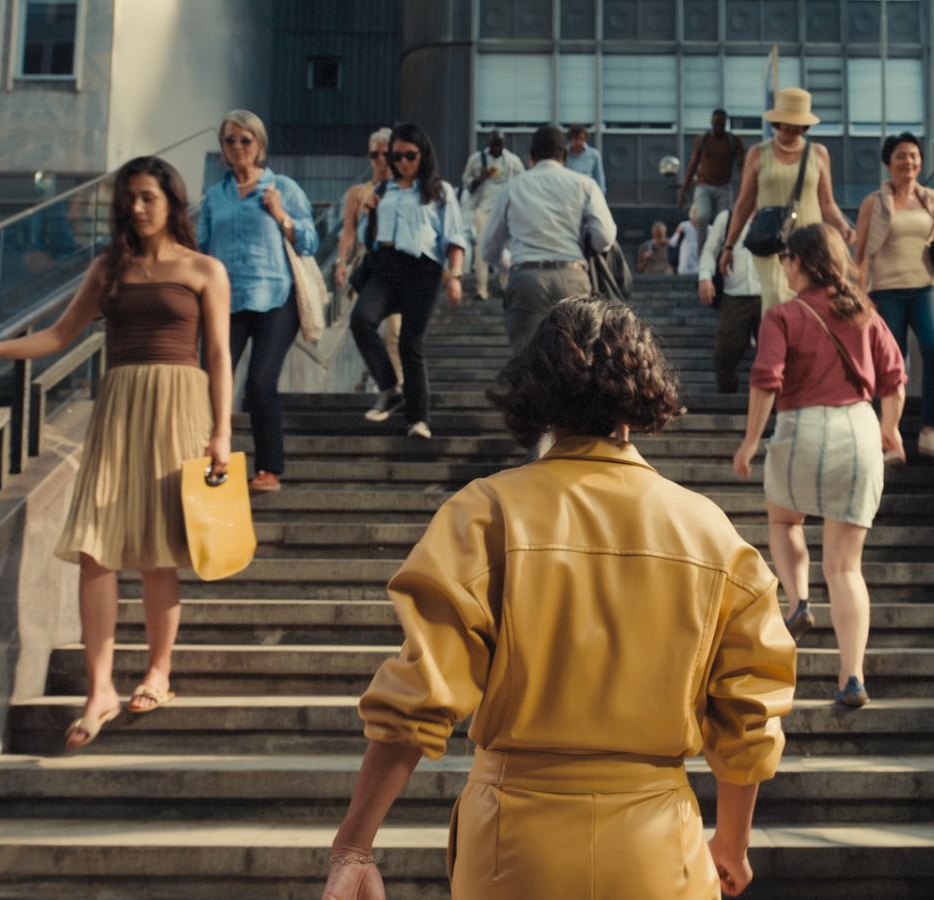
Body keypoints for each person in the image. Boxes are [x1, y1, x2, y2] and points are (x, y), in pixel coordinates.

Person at [319, 297, 796, 900]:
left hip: (513, 848)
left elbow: (420, 693)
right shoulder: (711, 533)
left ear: (536, 390)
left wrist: (354, 846)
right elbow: (750, 713)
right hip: (657, 848)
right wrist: (732, 842)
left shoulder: (484, 512)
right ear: (642, 390)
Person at [0, 157, 233, 750]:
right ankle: (100, 688)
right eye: (129, 199)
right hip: (119, 406)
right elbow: (58, 335)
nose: (137, 208)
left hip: (180, 405)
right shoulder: (110, 267)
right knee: (97, 548)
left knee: (158, 552)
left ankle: (158, 672)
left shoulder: (204, 269)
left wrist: (223, 431)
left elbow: (220, 354)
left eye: (148, 197)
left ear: (172, 201)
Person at [733, 224, 907, 709]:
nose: (784, 266)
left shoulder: (783, 315)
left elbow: (766, 380)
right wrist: (891, 429)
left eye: (788, 257)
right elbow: (894, 380)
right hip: (859, 429)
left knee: (784, 519)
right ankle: (852, 677)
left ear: (803, 262)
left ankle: (798, 601)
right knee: (846, 566)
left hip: (801, 427)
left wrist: (750, 442)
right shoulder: (865, 312)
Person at [198, 109, 317, 494]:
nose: (237, 148)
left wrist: (280, 214)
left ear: (260, 146)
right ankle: (206, 458)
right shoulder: (215, 197)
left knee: (260, 383)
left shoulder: (282, 187)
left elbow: (309, 242)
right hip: (226, 301)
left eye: (245, 140)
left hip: (275, 298)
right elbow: (199, 250)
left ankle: (269, 468)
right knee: (208, 381)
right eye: (229, 141)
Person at [853, 132, 934, 460]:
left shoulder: (931, 199)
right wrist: (861, 297)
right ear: (888, 163)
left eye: (914, 156)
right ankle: (889, 437)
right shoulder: (873, 203)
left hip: (925, 287)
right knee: (893, 360)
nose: (909, 162)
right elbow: (860, 255)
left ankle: (929, 430)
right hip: (885, 291)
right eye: (902, 156)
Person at [350, 122, 468, 440]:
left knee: (410, 343)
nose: (402, 162)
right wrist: (369, 212)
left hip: (422, 270)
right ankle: (390, 387)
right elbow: (367, 239)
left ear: (423, 155)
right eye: (396, 155)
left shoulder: (440, 192)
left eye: (410, 155)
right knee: (361, 320)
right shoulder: (381, 190)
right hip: (385, 267)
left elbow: (454, 238)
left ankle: (418, 419)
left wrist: (454, 277)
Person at [479, 125, 617, 358]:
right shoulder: (585, 184)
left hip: (526, 279)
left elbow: (488, 248)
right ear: (564, 155)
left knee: (526, 363)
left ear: (531, 156)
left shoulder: (513, 187)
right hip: (572, 276)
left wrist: (512, 263)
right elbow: (604, 237)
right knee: (576, 364)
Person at [720, 87, 853, 314]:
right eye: (787, 121)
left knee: (809, 304)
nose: (792, 126)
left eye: (797, 122)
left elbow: (827, 202)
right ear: (778, 121)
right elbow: (743, 205)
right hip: (771, 244)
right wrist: (729, 246)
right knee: (777, 299)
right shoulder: (758, 153)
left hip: (811, 244)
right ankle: (775, 349)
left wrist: (842, 226)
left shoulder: (818, 153)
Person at [336, 127, 402, 392]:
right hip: (369, 266)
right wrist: (341, 262)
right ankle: (382, 380)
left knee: (395, 330)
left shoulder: (404, 189)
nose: (380, 160)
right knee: (366, 324)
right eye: (374, 154)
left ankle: (397, 385)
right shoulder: (358, 193)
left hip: (397, 268)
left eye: (385, 154)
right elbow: (348, 232)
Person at [698, 208, 761, 394]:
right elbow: (709, 250)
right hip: (734, 297)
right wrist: (705, 278)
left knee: (773, 354)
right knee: (724, 354)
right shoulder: (726, 217)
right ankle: (727, 395)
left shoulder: (773, 213)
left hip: (768, 295)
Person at [459, 130, 525, 302]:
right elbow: (466, 181)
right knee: (482, 248)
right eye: (493, 144)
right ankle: (482, 289)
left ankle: (506, 285)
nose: (496, 148)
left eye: (499, 144)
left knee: (508, 248)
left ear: (503, 144)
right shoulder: (477, 159)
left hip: (506, 210)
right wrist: (481, 177)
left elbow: (523, 181)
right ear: (488, 143)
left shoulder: (512, 161)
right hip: (483, 209)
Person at [679, 108, 744, 240]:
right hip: (703, 185)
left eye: (720, 124)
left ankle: (720, 251)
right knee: (702, 217)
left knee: (723, 221)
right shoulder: (702, 139)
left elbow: (741, 166)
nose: (717, 127)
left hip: (724, 187)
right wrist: (683, 189)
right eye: (715, 124)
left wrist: (745, 188)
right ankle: (702, 252)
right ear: (711, 122)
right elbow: (693, 164)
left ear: (725, 124)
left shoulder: (733, 141)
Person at [564, 123, 606, 190]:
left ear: (585, 139)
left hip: (587, 194)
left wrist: (601, 195)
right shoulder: (563, 154)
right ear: (570, 139)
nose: (578, 142)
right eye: (575, 139)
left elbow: (599, 177)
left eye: (581, 139)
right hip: (568, 194)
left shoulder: (594, 155)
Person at [670, 210, 701, 275]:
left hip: (700, 265)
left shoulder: (709, 228)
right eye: (694, 215)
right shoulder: (684, 225)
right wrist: (678, 233)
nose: (696, 218)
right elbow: (672, 243)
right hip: (685, 265)